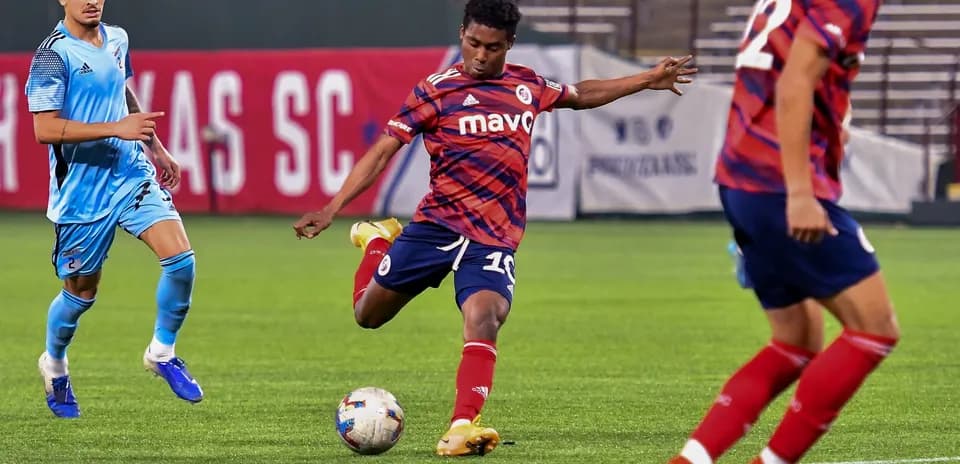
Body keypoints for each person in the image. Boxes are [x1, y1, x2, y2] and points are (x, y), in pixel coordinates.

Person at [293, 0, 696, 456]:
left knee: (484, 318)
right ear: (462, 34)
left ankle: (462, 426)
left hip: (493, 238)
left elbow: (579, 94)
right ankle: (377, 240)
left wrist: (646, 79)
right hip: (435, 227)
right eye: (474, 44)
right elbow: (384, 150)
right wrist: (333, 207)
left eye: (493, 47)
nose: (481, 55)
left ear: (510, 44)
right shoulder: (434, 91)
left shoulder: (527, 86)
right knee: (367, 316)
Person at [670, 0, 899, 463]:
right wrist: (799, 193)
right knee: (875, 329)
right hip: (778, 183)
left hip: (742, 180)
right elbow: (795, 80)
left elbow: (783, 71)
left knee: (796, 341)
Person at [26, 0, 203, 418]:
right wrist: (115, 129)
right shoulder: (52, 55)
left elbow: (121, 91)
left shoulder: (118, 38)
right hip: (82, 191)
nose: (92, 0)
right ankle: (54, 363)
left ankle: (161, 352)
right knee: (81, 294)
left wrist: (155, 147)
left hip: (130, 172)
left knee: (181, 261)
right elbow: (44, 129)